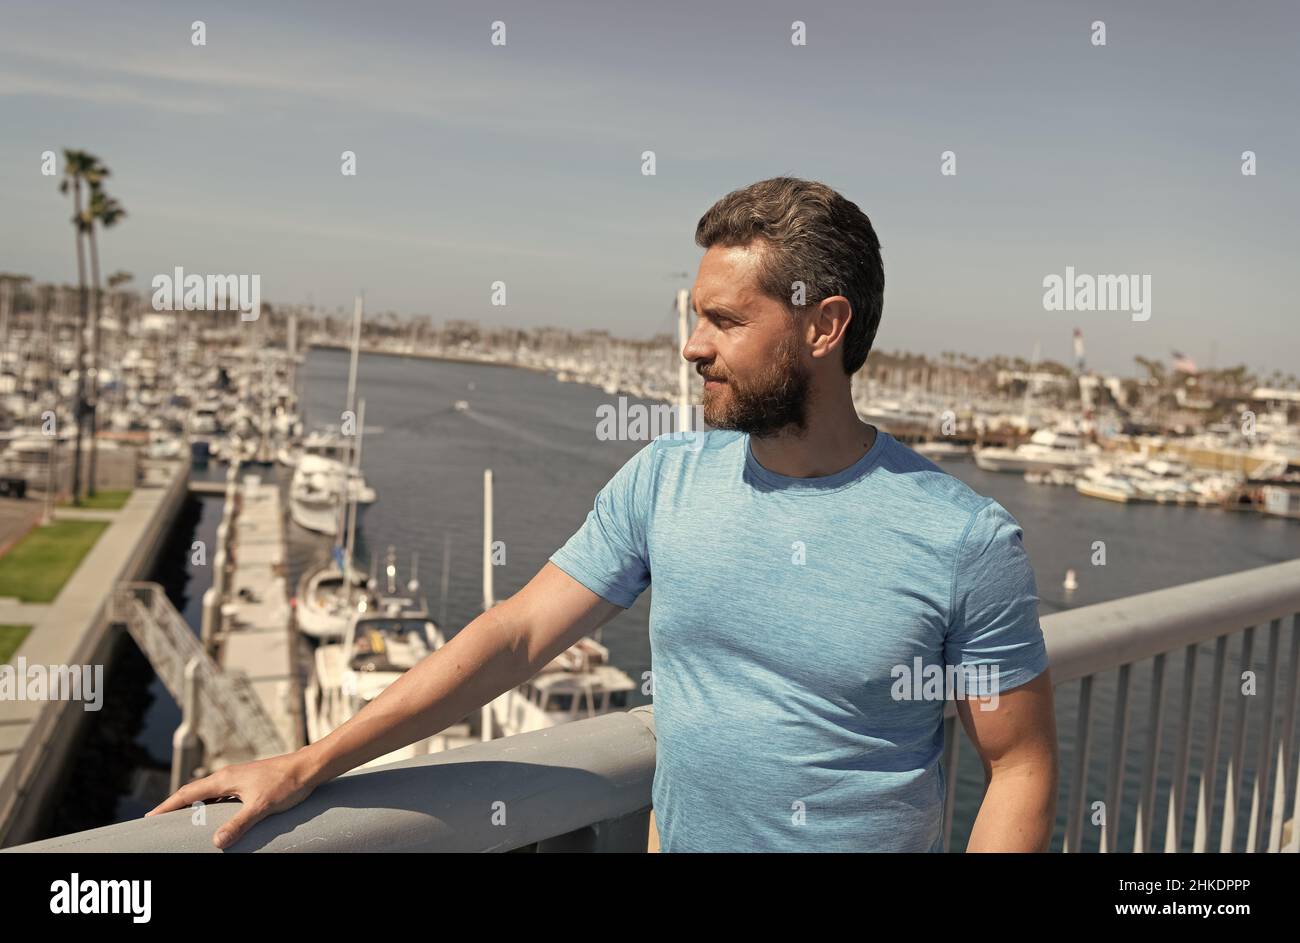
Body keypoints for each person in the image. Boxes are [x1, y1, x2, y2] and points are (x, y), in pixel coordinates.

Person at [148, 176, 1058, 852]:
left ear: (824, 327)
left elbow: (1018, 764)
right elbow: (512, 637)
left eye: (724, 321)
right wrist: (307, 762)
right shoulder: (664, 480)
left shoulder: (962, 541)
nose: (693, 347)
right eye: (693, 318)